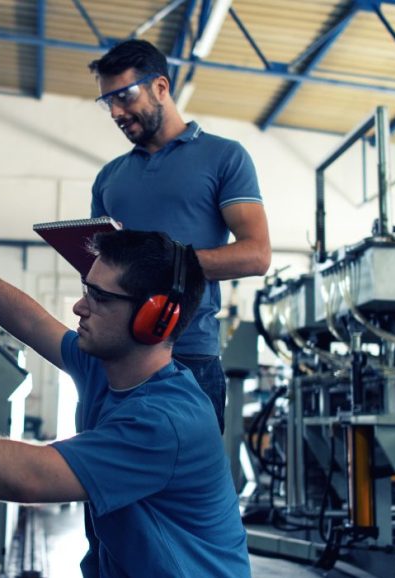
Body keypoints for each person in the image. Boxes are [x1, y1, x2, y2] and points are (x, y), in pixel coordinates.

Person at [0, 208, 251, 578]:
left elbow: (28, 478)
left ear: (155, 321)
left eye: (100, 298)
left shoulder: (167, 420)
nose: (79, 308)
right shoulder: (106, 364)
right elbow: (32, 323)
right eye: (87, 290)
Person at [89, 39, 271, 432]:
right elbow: (95, 265)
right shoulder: (109, 178)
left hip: (189, 358)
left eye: (124, 96)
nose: (117, 112)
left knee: (186, 490)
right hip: (115, 358)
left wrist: (160, 268)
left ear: (160, 87)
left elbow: (256, 256)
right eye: (108, 103)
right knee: (106, 488)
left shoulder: (225, 157)